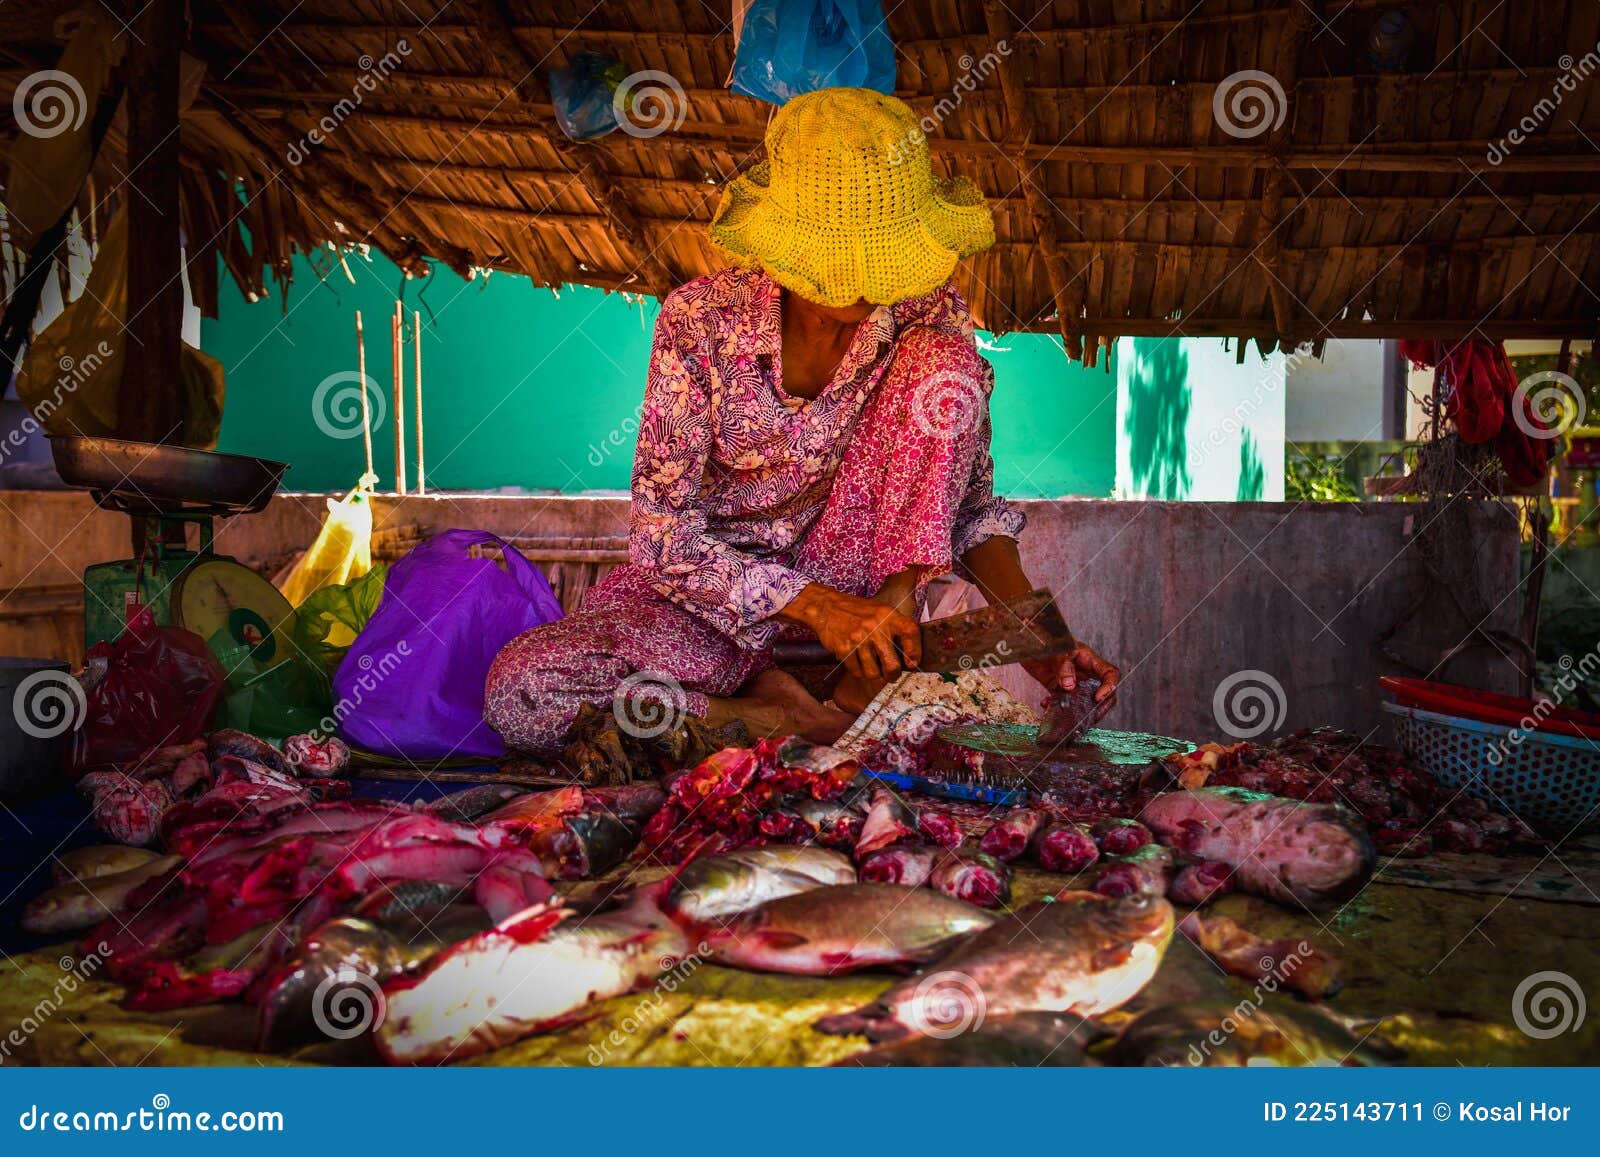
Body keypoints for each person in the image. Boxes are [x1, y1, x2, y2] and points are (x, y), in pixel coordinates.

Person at [486, 87, 1118, 756]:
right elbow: (661, 537)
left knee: (945, 362)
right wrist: (814, 604)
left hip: (868, 635)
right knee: (522, 693)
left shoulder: (928, 318)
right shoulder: (700, 323)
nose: (875, 279)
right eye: (852, 257)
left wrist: (1035, 636)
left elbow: (963, 508)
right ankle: (778, 716)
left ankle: (845, 697)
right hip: (708, 617)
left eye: (886, 255)